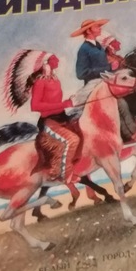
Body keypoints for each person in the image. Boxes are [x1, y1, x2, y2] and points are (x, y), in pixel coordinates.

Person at [29, 53, 81, 184]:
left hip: (62, 117)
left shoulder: (55, 80)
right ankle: (64, 174)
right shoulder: (40, 82)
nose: (57, 60)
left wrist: (70, 102)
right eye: (53, 59)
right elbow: (35, 106)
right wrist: (64, 104)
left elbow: (56, 102)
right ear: (45, 63)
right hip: (49, 121)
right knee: (73, 140)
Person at [71, 18, 118, 84]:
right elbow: (81, 74)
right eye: (96, 27)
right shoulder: (84, 48)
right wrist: (109, 67)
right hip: (93, 85)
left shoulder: (98, 45)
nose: (100, 28)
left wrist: (112, 65)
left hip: (104, 84)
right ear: (88, 31)